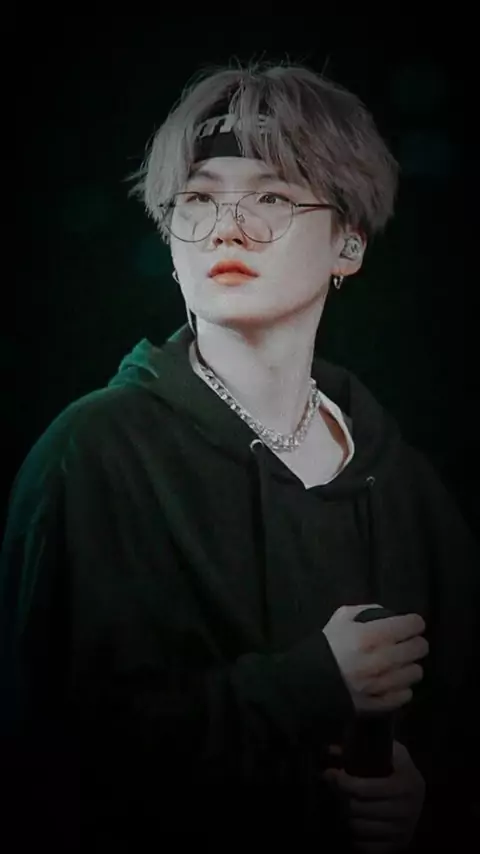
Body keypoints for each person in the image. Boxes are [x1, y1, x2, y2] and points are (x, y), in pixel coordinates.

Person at [1, 59, 479, 851]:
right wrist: (315, 682)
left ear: (349, 245)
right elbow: (51, 764)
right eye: (198, 200)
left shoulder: (408, 490)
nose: (227, 228)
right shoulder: (91, 458)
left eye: (272, 198)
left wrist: (420, 799)